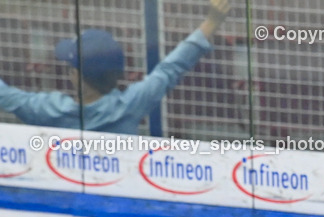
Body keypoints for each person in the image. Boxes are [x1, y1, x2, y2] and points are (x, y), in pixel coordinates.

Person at [0, 0, 230, 134]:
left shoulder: (49, 110)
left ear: (77, 76)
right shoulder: (129, 106)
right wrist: (211, 22)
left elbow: (7, 96)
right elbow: (170, 69)